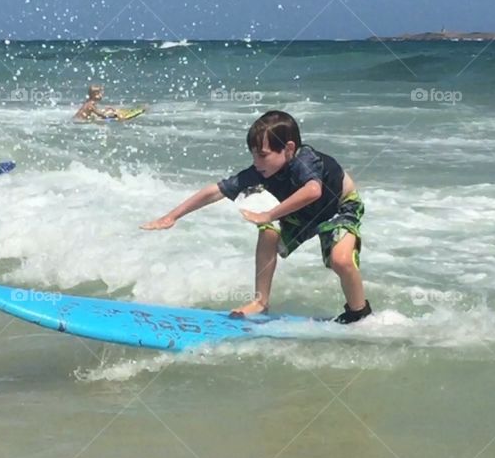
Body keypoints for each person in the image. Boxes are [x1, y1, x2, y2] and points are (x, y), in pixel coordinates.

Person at [141, 110, 372, 324]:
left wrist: (268, 214)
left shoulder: (305, 159)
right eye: (253, 155)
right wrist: (171, 216)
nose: (256, 162)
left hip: (338, 208)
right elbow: (215, 191)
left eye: (263, 155)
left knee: (340, 260)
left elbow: (313, 191)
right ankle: (261, 302)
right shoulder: (261, 171)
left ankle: (358, 313)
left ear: (289, 148)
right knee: (269, 232)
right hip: (302, 213)